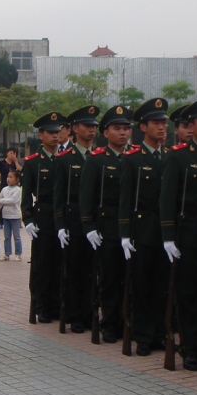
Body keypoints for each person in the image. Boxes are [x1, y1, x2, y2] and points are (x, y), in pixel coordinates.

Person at [159, 97, 197, 370]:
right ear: (191, 126)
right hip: (190, 232)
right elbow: (168, 199)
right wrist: (169, 236)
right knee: (188, 291)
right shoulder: (178, 156)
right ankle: (191, 347)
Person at [119, 98, 170, 356]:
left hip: (166, 231)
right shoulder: (132, 159)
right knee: (141, 285)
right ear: (143, 127)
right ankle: (143, 335)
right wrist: (125, 234)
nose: (162, 127)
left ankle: (160, 333)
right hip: (142, 231)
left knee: (162, 285)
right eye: (156, 123)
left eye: (164, 123)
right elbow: (126, 199)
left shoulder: (170, 157)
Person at [80, 105, 133, 343]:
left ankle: (127, 321)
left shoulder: (135, 158)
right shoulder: (96, 160)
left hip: (132, 227)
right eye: (117, 128)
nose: (123, 133)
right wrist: (89, 226)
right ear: (106, 132)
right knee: (110, 277)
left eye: (126, 128)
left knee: (130, 277)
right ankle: (109, 322)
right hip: (107, 228)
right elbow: (86, 197)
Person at [54, 105, 100, 334]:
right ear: (75, 128)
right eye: (87, 126)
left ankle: (90, 311)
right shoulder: (64, 160)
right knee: (74, 270)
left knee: (93, 270)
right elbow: (59, 196)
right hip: (73, 222)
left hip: (95, 221)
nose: (91, 130)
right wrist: (60, 225)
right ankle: (74, 314)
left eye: (94, 126)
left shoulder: (99, 156)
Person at [21, 112, 65, 323]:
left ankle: (57, 304)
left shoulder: (65, 159)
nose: (55, 136)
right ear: (41, 135)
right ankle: (42, 305)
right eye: (50, 132)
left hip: (63, 216)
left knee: (60, 262)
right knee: (43, 263)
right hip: (44, 216)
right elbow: (26, 196)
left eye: (57, 132)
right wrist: (28, 219)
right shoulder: (32, 163)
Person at [0, 170, 22, 261]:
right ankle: (7, 254)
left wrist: (2, 201)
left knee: (16, 236)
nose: (8, 179)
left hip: (15, 216)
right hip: (5, 216)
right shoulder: (4, 189)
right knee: (7, 236)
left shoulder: (18, 190)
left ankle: (18, 254)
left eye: (11, 177)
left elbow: (12, 200)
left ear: (17, 180)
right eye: (8, 177)